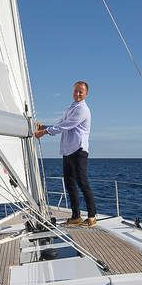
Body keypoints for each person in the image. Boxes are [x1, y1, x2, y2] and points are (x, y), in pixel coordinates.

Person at [34, 80, 96, 227]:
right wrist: (45, 126)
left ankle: (92, 216)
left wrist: (44, 132)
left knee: (82, 183)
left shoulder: (83, 110)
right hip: (68, 151)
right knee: (69, 184)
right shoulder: (70, 108)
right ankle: (76, 216)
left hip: (79, 151)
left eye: (81, 91)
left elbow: (66, 125)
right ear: (72, 92)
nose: (78, 93)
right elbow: (60, 124)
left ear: (86, 93)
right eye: (76, 90)